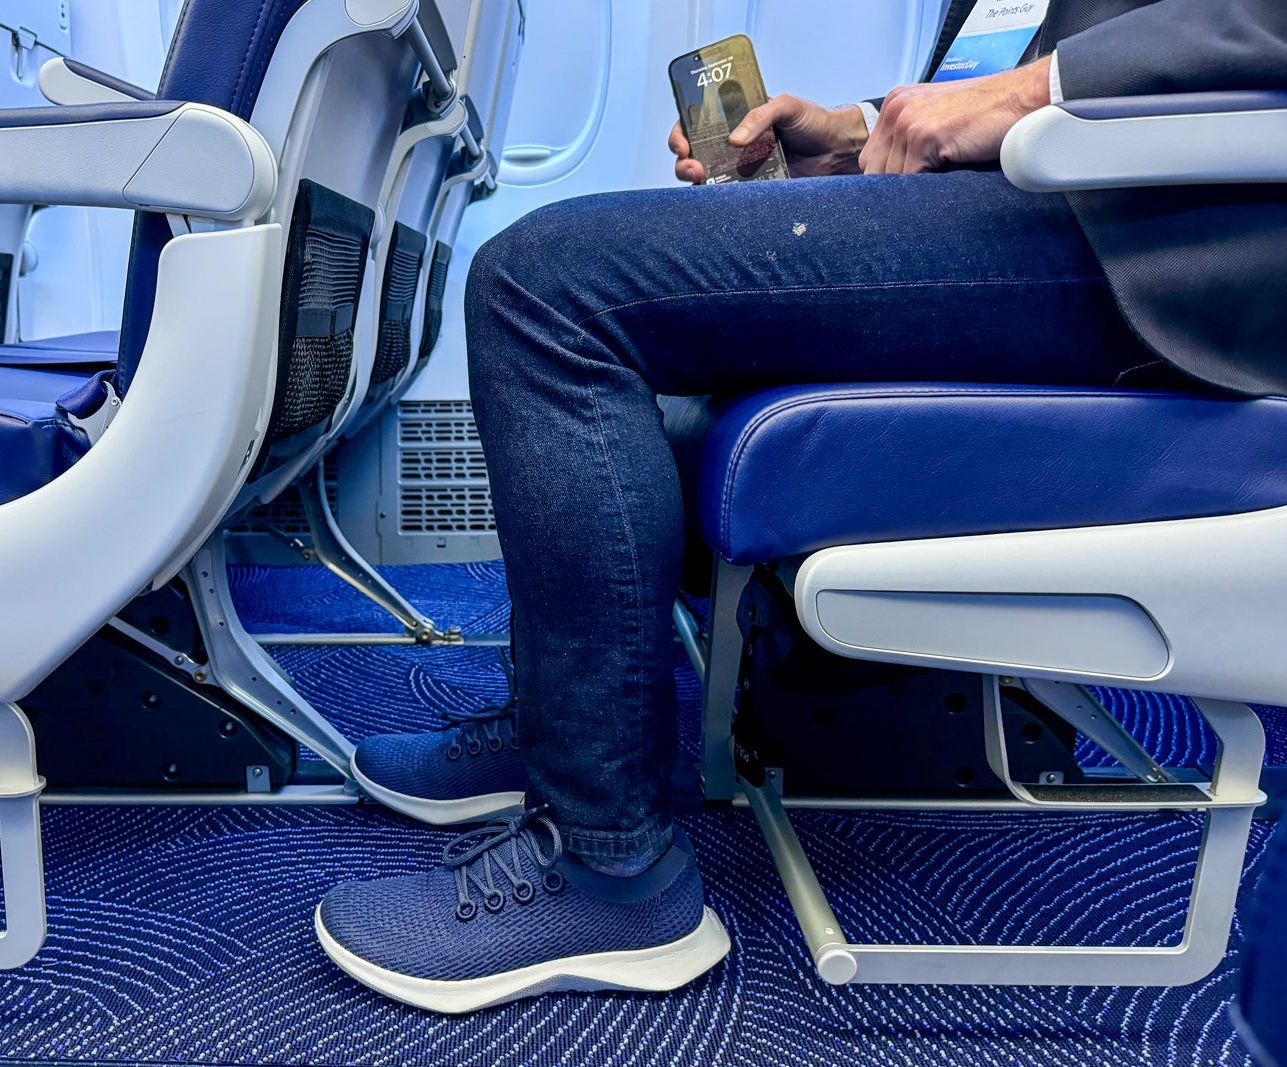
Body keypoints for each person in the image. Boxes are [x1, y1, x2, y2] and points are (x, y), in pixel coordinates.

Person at [313, 0, 1287, 1013]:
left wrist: (1030, 92)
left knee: (546, 285)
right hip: (1076, 198)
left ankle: (608, 866)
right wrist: (863, 130)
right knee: (645, 272)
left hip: (1169, 239)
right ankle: (568, 725)